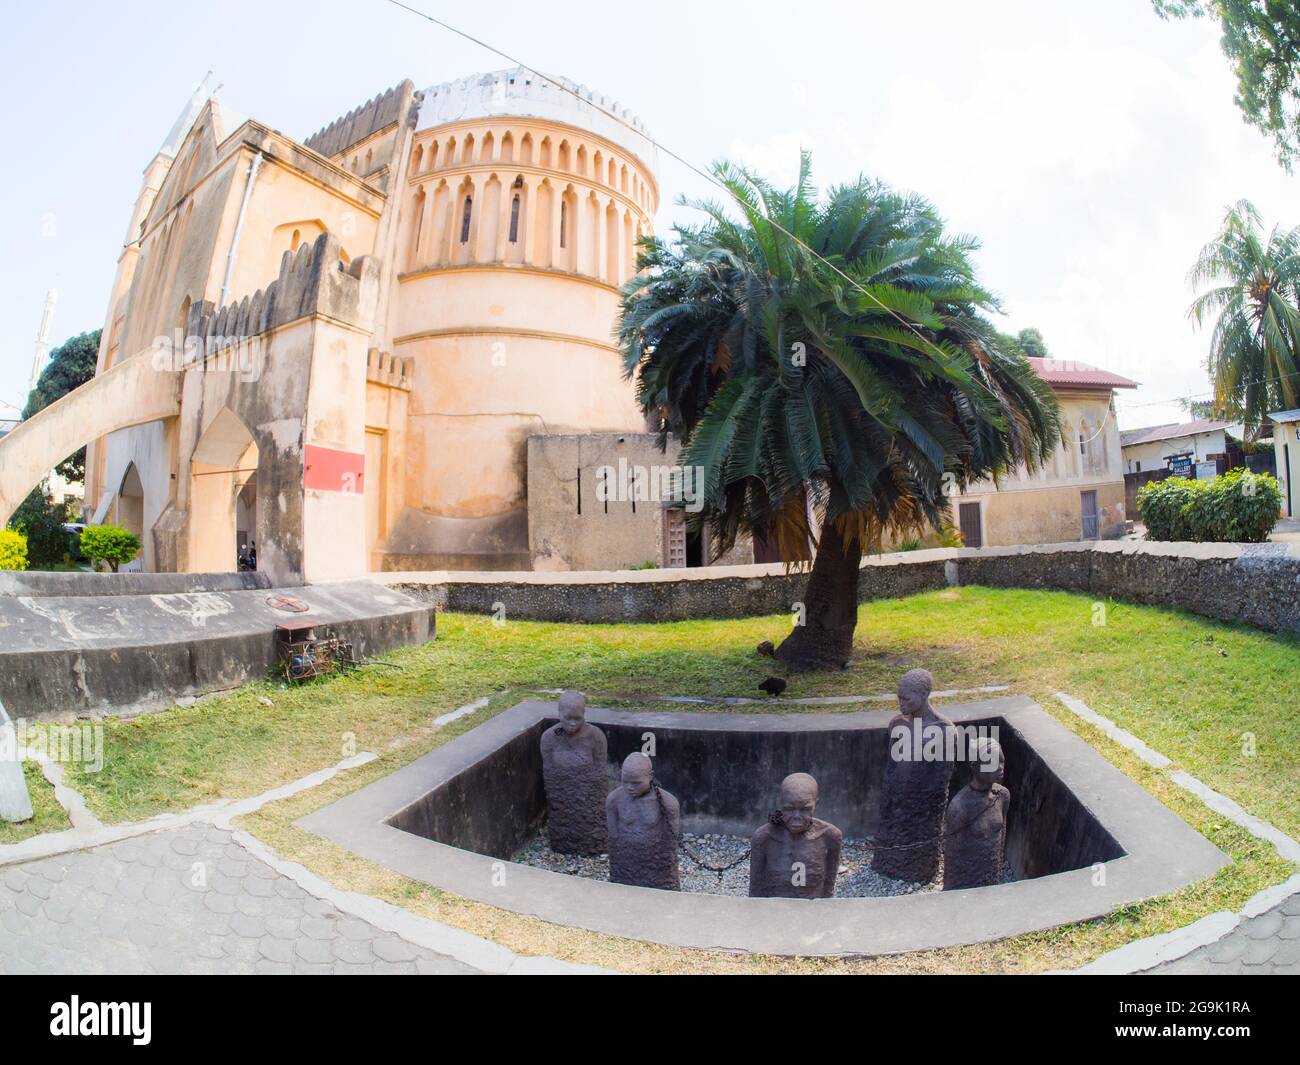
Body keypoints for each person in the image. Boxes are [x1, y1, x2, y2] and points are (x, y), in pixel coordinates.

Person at [748, 772, 842, 899]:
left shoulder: (830, 836)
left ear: (816, 805)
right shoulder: (764, 837)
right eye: (789, 809)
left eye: (805, 809)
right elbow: (756, 892)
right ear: (780, 804)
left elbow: (828, 889)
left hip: (812, 912)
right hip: (774, 911)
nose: (796, 817)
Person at [539, 690, 608, 855]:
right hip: (561, 802)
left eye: (577, 718)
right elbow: (549, 774)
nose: (572, 723)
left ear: (584, 714)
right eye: (567, 718)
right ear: (559, 714)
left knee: (591, 832)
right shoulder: (549, 737)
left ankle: (592, 846)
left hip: (588, 802)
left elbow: (600, 774)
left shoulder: (595, 736)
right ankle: (564, 845)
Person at [606, 752, 680, 889]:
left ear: (650, 776)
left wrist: (662, 863)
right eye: (625, 781)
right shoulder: (614, 800)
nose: (629, 787)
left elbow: (670, 842)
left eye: (636, 783)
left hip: (655, 864)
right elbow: (613, 837)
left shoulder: (667, 802)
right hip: (626, 862)